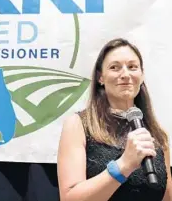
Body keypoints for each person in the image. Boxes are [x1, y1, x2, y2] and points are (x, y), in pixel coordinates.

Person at [57, 38, 172, 201]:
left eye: (132, 67)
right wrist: (123, 165)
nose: (125, 74)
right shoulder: (79, 125)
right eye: (114, 67)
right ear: (100, 77)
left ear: (142, 74)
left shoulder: (158, 135)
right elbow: (69, 198)